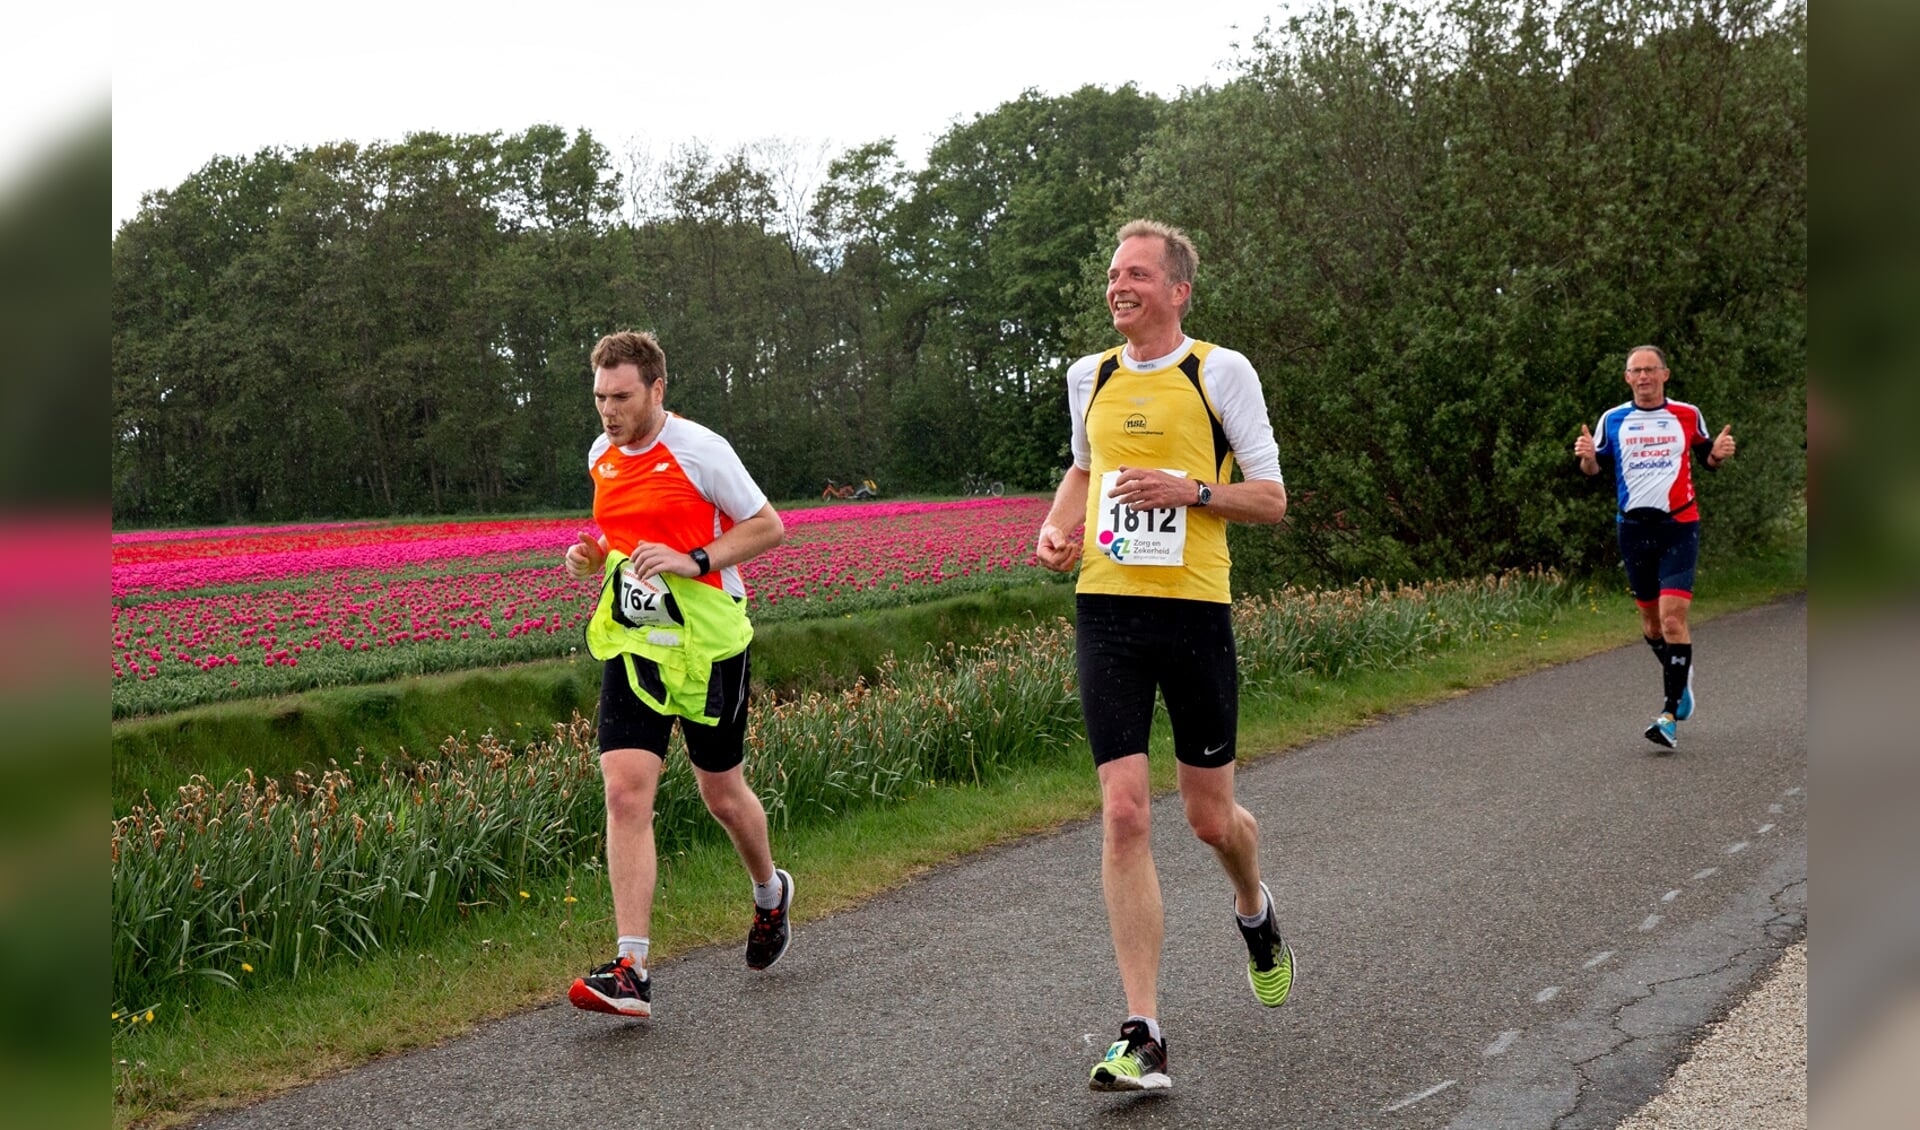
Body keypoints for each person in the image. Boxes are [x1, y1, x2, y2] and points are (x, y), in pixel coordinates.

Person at [1034, 219, 1294, 1094]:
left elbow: (1272, 498)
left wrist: (1193, 492)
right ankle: (1143, 1033)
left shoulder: (1220, 371)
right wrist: (1058, 525)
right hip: (1107, 611)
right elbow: (1082, 468)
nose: (1120, 286)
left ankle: (1253, 908)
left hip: (1193, 611)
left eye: (1138, 274)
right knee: (1123, 813)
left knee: (1210, 820)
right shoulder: (1089, 376)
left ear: (1178, 290)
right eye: (1114, 274)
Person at [562, 330, 794, 1019]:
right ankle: (631, 968)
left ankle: (769, 894)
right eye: (600, 397)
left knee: (721, 794)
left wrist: (694, 559)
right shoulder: (602, 454)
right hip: (638, 641)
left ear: (657, 390)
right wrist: (592, 555)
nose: (609, 411)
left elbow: (768, 526)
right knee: (625, 793)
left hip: (711, 643)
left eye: (622, 396)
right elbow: (624, 531)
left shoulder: (701, 450)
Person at [1574, 344, 1737, 750]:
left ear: (1665, 374)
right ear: (1627, 378)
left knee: (1672, 621)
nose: (1644, 377)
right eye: (1636, 371)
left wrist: (1717, 455)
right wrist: (1587, 459)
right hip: (1633, 530)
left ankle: (1668, 715)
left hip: (1679, 526)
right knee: (1650, 624)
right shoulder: (1613, 420)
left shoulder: (1687, 414)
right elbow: (1594, 468)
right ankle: (1680, 677)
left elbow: (1707, 459)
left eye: (1651, 370)